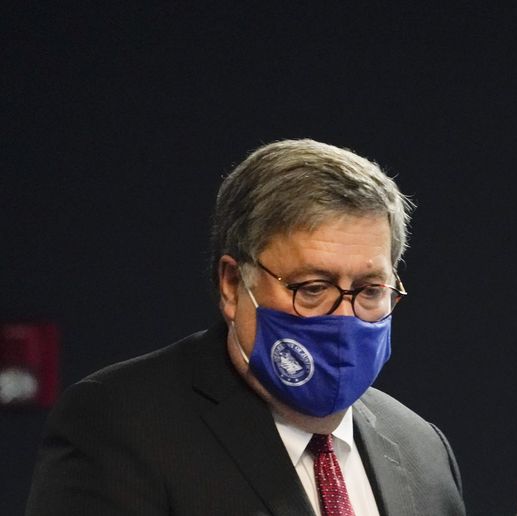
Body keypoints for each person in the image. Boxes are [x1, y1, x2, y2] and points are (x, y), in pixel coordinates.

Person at [26, 139, 467, 515]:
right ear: (234, 285)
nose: (344, 317)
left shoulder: (422, 449)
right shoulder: (122, 427)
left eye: (370, 290)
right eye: (312, 288)